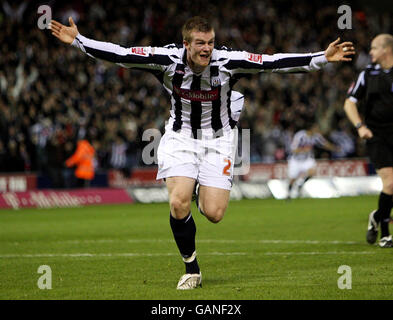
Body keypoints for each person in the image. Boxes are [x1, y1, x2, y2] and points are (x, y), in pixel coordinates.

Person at [49, 15, 355, 289]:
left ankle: (207, 170)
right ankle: (191, 268)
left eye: (210, 42)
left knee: (214, 213)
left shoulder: (227, 62)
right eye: (199, 43)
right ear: (186, 44)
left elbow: (271, 63)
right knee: (178, 202)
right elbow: (121, 54)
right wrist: (79, 41)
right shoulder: (166, 59)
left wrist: (321, 58)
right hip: (180, 137)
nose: (206, 48)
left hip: (220, 139)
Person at [344, 34, 393, 248]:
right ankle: (385, 234)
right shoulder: (367, 74)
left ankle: (376, 216)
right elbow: (349, 103)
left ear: (386, 49)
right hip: (376, 135)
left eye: (374, 48)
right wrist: (360, 126)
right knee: (390, 183)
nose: (370, 52)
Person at [287, 122, 338, 199]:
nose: (318, 129)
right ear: (311, 129)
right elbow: (293, 149)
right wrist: (303, 150)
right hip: (296, 160)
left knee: (312, 172)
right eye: (316, 128)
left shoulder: (316, 136)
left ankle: (301, 184)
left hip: (307, 159)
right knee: (292, 179)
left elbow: (324, 144)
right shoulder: (300, 135)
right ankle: (289, 194)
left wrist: (334, 148)